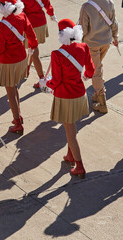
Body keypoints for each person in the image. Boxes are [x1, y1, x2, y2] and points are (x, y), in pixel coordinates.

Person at [40, 19, 95, 179]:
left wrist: (46, 83)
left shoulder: (57, 54)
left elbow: (56, 81)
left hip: (65, 97)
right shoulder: (83, 47)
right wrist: (84, 76)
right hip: (80, 94)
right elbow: (90, 70)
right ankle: (70, 156)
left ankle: (79, 165)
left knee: (71, 133)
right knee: (72, 128)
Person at [0, 0, 38, 135]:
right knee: (14, 87)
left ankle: (17, 123)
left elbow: (0, 49)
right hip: (21, 58)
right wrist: (33, 46)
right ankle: (18, 115)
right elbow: (31, 35)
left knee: (10, 92)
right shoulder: (22, 16)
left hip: (8, 61)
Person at [79, 0, 118, 113]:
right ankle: (97, 94)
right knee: (98, 67)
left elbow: (83, 29)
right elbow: (113, 22)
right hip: (106, 42)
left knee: (96, 71)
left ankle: (102, 102)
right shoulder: (109, 3)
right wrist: (115, 36)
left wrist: (79, 43)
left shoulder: (86, 6)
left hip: (92, 44)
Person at [21, 0, 57, 88]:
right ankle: (26, 69)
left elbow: (20, 10)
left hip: (30, 25)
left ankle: (42, 80)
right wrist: (51, 14)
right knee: (32, 49)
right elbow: (47, 4)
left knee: (34, 53)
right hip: (41, 22)